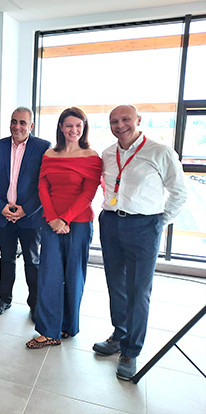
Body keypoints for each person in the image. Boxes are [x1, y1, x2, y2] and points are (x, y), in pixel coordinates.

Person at [93, 104, 187, 380]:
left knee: (138, 290)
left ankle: (131, 350)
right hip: (111, 222)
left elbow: (179, 193)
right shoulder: (108, 153)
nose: (120, 125)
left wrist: (159, 221)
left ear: (138, 120)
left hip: (144, 225)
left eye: (125, 119)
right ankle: (118, 336)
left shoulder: (160, 152)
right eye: (114, 121)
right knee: (116, 284)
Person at [26, 107, 101, 349]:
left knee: (74, 277)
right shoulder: (49, 154)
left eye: (79, 126)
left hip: (78, 223)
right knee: (49, 275)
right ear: (60, 127)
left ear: (84, 128)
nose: (74, 130)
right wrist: (52, 219)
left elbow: (89, 193)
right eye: (69, 125)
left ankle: (69, 325)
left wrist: (65, 219)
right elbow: (42, 187)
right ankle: (49, 331)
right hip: (51, 222)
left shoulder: (92, 157)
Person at [0, 107, 50, 319]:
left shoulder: (43, 147)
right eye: (14, 122)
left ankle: (35, 303)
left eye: (22, 122)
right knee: (6, 259)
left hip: (30, 216)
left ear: (31, 126)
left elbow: (44, 183)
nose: (17, 126)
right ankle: (4, 298)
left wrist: (26, 209)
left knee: (32, 261)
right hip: (3, 215)